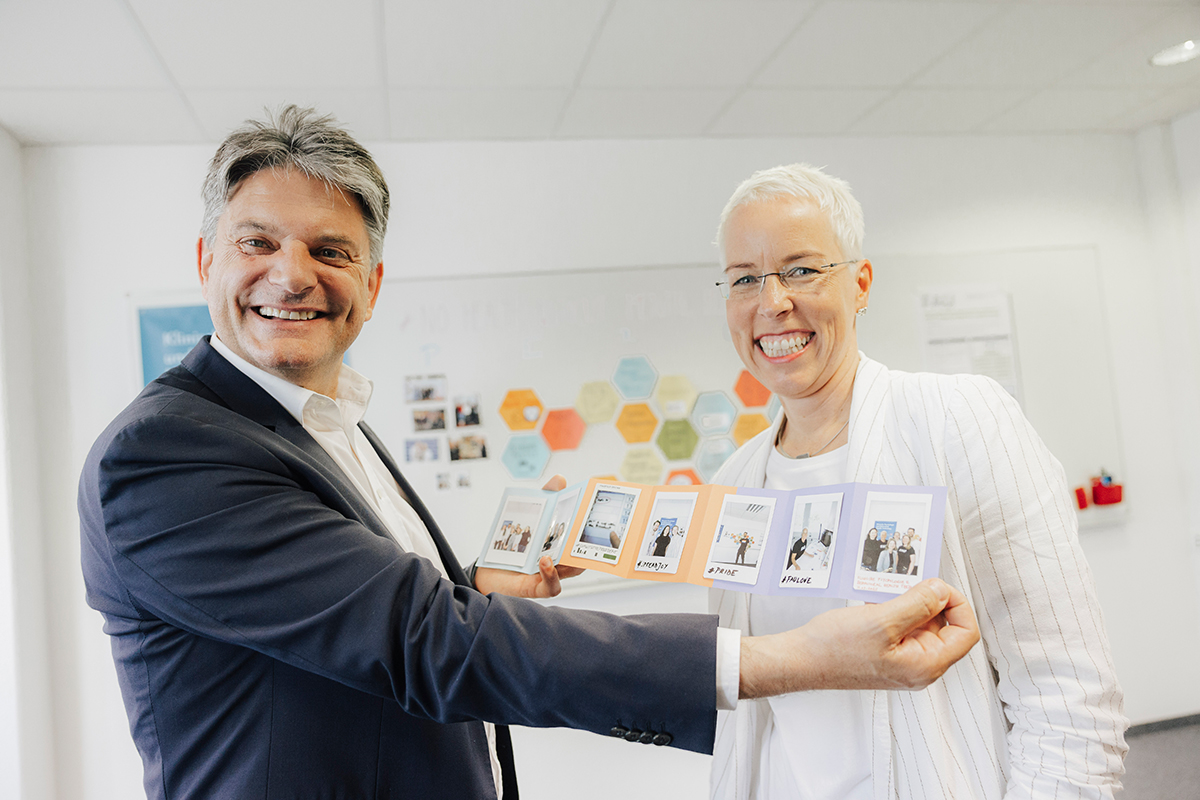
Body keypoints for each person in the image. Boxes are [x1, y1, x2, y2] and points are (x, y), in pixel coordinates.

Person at [79, 109, 980, 800]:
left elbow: (362, 622)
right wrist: (794, 658)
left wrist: (476, 588)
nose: (293, 273)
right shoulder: (165, 458)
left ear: (372, 284)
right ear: (206, 261)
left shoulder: (324, 418)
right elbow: (421, 641)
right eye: (258, 243)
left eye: (330, 250)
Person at [708, 162, 1127, 799]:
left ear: (861, 284)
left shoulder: (958, 420)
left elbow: (1067, 692)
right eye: (745, 279)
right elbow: (744, 703)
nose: (773, 302)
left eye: (801, 269)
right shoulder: (735, 482)